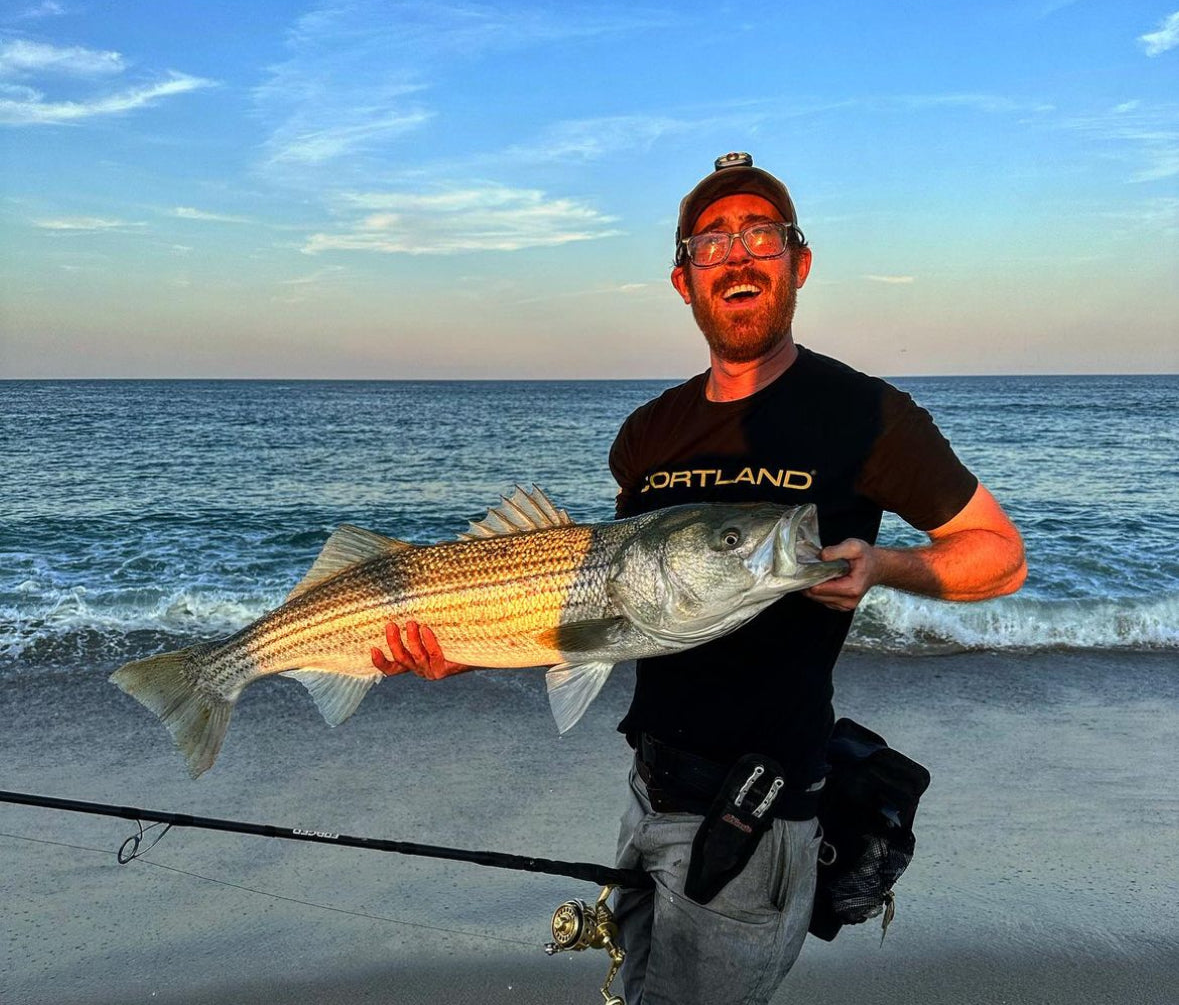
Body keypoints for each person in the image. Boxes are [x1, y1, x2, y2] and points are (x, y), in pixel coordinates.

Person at [371, 152, 1027, 1005]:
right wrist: (469, 640)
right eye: (711, 243)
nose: (737, 253)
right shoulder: (647, 433)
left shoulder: (867, 414)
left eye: (760, 233)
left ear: (798, 263)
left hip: (756, 805)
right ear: (684, 281)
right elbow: (601, 598)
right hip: (648, 786)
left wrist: (884, 565)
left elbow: (998, 552)